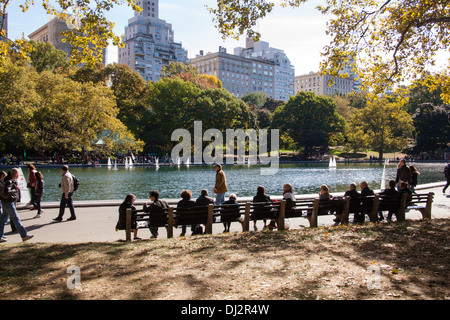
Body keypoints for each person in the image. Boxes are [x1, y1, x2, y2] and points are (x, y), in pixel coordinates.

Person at [0, 168, 34, 243]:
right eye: (18, 174)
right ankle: (24, 235)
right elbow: (7, 192)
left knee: (2, 220)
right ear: (16, 174)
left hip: (5, 202)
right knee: (16, 219)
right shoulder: (10, 181)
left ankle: (0, 236)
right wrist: (15, 189)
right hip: (9, 203)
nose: (18, 175)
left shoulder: (7, 180)